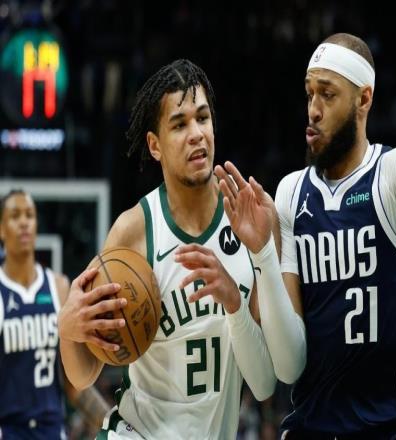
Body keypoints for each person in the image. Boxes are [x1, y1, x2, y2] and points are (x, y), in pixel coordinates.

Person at [215, 32, 396, 439]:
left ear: (363, 99)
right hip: (310, 428)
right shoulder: (290, 191)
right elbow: (289, 365)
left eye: (328, 94)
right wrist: (262, 253)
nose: (313, 110)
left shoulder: (392, 169)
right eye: (309, 94)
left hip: (389, 428)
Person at [57, 59, 282, 439]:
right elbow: (84, 375)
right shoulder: (133, 232)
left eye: (203, 118)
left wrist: (236, 302)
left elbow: (265, 380)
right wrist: (68, 330)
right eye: (179, 124)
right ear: (155, 145)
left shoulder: (250, 219)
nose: (196, 134)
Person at [0, 190, 110, 439]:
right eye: (15, 216)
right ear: (1, 229)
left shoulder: (58, 286)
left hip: (52, 432)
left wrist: (112, 423)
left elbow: (74, 385)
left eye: (30, 215)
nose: (24, 222)